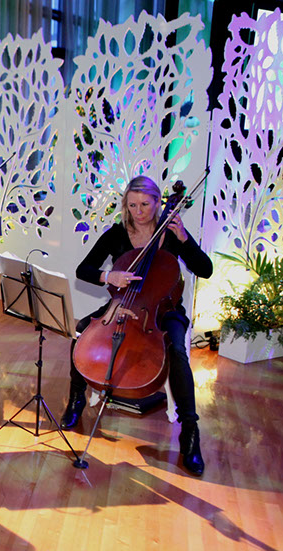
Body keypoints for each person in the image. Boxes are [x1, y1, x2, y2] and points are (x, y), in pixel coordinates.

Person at [60, 175, 213, 476]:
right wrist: (110, 277)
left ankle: (190, 431)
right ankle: (76, 397)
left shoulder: (171, 233)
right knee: (81, 332)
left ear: (158, 203)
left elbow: (205, 269)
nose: (139, 211)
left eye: (145, 204)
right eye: (132, 205)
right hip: (121, 304)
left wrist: (184, 239)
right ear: (125, 206)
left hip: (162, 311)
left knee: (179, 353)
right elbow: (84, 269)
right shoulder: (116, 234)